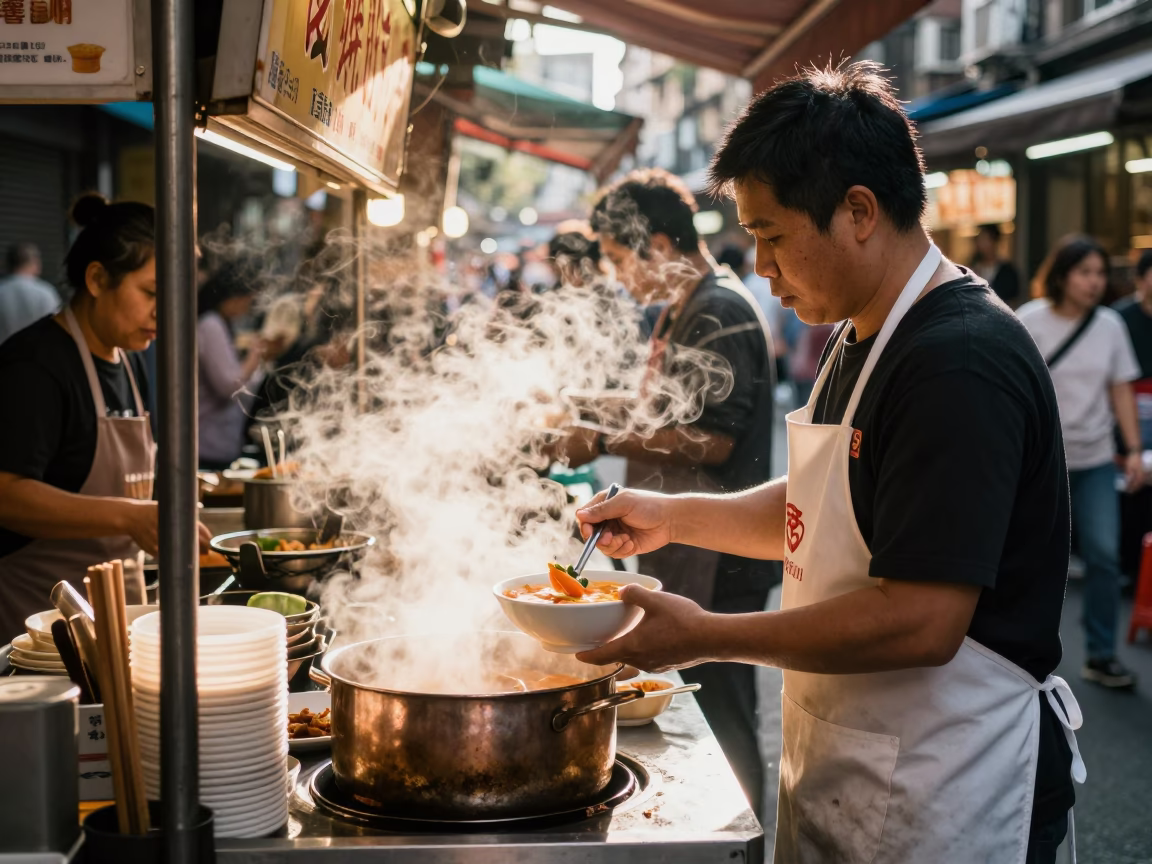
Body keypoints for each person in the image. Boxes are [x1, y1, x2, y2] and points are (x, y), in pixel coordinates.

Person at [573, 63, 1083, 864]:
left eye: (771, 235)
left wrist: (708, 634)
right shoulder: (861, 331)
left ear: (858, 211)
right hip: (859, 757)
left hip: (950, 785)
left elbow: (922, 617)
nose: (761, 265)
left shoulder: (959, 361)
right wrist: (670, 516)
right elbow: (823, 505)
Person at [553, 168, 776, 821]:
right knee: (703, 698)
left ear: (654, 243)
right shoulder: (685, 306)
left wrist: (597, 441)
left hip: (728, 544)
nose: (621, 276)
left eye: (622, 259)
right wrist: (579, 405)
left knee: (724, 702)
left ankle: (737, 837)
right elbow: (662, 407)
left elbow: (713, 439)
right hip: (688, 534)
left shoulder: (721, 308)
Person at [0, 194, 209, 642]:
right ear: (97, 279)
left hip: (115, 624)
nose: (165, 312)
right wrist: (129, 516)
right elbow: (6, 494)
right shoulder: (34, 366)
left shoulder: (127, 359)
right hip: (33, 634)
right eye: (152, 293)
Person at [1018, 236, 1142, 689]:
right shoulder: (1029, 320)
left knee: (1105, 555)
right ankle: (1020, 653)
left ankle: (1102, 654)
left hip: (1093, 460)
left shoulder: (1109, 325)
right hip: (1039, 463)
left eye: (1100, 274)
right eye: (1085, 272)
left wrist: (1130, 450)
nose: (1095, 282)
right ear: (1062, 274)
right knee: (1030, 557)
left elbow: (1120, 389)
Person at [197, 261, 265, 470]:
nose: (247, 308)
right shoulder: (211, 325)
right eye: (248, 300)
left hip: (219, 444)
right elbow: (228, 385)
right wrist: (254, 357)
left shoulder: (222, 324)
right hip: (207, 446)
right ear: (234, 296)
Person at [0, 242, 60, 345]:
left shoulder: (2, 290)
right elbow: (56, 329)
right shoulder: (46, 292)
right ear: (34, 262)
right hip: (36, 357)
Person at [972, 223, 1021, 306]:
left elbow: (1012, 300)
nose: (982, 244)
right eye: (980, 240)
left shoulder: (1008, 271)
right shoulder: (972, 269)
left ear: (995, 241)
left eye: (986, 239)